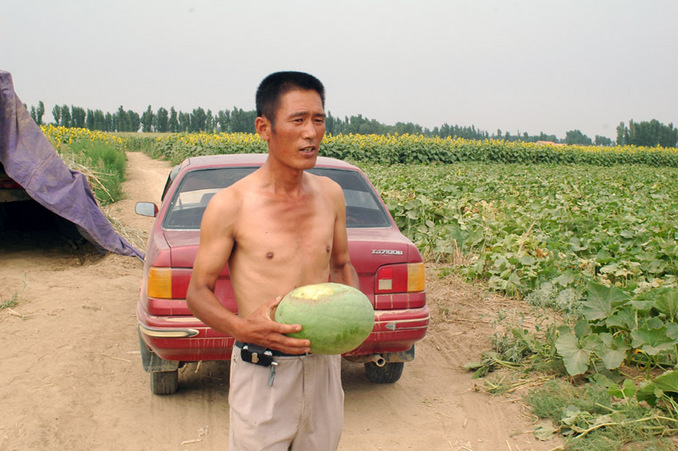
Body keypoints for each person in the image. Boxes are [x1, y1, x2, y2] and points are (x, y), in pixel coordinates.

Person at [186, 71, 359, 451]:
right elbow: (197, 292)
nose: (311, 133)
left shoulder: (331, 195)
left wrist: (354, 317)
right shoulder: (231, 204)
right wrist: (241, 328)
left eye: (318, 119)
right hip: (263, 367)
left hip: (324, 367)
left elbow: (342, 265)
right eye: (297, 120)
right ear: (264, 128)